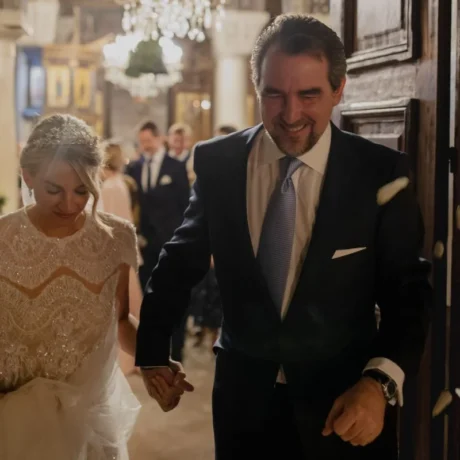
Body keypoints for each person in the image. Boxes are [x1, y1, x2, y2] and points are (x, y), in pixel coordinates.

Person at [136, 14, 432, 460]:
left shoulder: (380, 171)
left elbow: (409, 292)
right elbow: (180, 261)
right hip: (243, 406)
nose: (291, 115)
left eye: (308, 95)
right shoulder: (218, 162)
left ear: (338, 89)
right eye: (274, 94)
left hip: (345, 407)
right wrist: (153, 350)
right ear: (257, 87)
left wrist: (379, 383)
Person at [0, 114, 158, 459]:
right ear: (28, 175)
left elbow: (120, 320)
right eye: (54, 189)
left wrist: (154, 361)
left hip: (88, 424)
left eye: (82, 190)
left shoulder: (115, 237)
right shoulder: (2, 239)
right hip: (10, 422)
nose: (70, 204)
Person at [125, 121, 190, 289]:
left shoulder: (175, 166)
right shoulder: (134, 168)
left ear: (159, 138)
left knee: (169, 285)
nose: (145, 145)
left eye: (148, 140)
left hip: (169, 236)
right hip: (143, 239)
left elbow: (185, 203)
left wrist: (182, 236)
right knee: (145, 284)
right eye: (142, 141)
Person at [101, 142, 144, 376]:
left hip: (115, 252)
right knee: (131, 304)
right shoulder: (120, 183)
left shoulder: (110, 187)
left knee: (121, 308)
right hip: (124, 250)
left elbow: (108, 221)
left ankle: (125, 359)